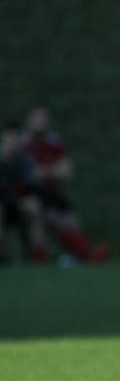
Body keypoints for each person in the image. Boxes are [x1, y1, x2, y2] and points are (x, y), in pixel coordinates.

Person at [21, 106, 110, 263]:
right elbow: (27, 174)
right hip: (28, 193)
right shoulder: (23, 144)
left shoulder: (54, 143)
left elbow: (67, 173)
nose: (41, 123)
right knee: (39, 212)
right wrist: (49, 171)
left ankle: (82, 254)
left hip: (50, 193)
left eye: (44, 120)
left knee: (72, 220)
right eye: (37, 120)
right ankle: (41, 258)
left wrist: (41, 172)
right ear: (28, 122)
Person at [0, 121, 48, 263]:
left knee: (34, 207)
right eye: (8, 140)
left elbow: (31, 185)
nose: (11, 144)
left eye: (14, 140)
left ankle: (38, 256)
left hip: (18, 202)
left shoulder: (25, 160)